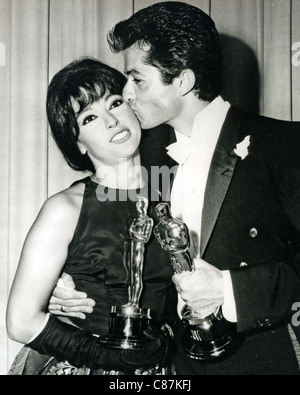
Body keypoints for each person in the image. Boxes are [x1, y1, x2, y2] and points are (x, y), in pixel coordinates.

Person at [51, 1, 300, 375]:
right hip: (167, 368)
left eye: (137, 79)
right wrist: (69, 280)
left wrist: (230, 290)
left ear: (182, 80)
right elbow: (97, 224)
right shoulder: (140, 154)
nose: (128, 94)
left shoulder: (283, 143)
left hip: (259, 361)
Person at [6, 57, 176, 375]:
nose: (111, 120)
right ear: (78, 143)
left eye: (115, 102)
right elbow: (19, 321)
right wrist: (106, 358)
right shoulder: (65, 209)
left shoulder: (178, 190)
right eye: (89, 118)